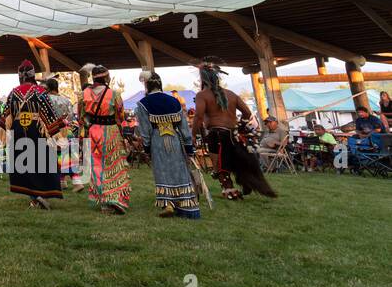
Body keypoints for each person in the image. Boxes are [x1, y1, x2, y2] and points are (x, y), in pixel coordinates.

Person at [192, 57, 276, 200]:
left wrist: (193, 135)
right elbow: (247, 113)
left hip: (216, 134)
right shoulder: (231, 94)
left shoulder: (202, 95)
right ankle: (245, 182)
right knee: (234, 159)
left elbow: (199, 116)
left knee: (219, 163)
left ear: (203, 79)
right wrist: (240, 126)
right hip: (233, 134)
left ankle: (229, 189)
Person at [134, 71, 200, 219]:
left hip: (157, 139)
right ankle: (185, 205)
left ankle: (169, 204)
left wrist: (147, 148)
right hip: (175, 139)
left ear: (147, 85)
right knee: (179, 170)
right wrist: (189, 148)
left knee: (162, 171)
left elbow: (145, 131)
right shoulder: (174, 101)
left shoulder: (143, 104)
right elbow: (184, 127)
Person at [3, 61, 63, 209]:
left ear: (20, 76)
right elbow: (49, 113)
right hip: (36, 130)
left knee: (24, 163)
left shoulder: (13, 92)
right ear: (32, 74)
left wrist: (2, 135)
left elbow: (5, 115)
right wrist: (56, 134)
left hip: (18, 131)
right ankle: (39, 195)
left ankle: (34, 197)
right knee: (40, 162)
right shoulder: (40, 92)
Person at [81, 64, 130, 214]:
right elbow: (120, 115)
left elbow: (81, 116)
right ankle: (114, 198)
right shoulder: (114, 94)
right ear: (106, 77)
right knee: (114, 165)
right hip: (111, 131)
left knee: (97, 166)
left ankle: (104, 202)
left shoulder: (84, 94)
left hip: (93, 131)